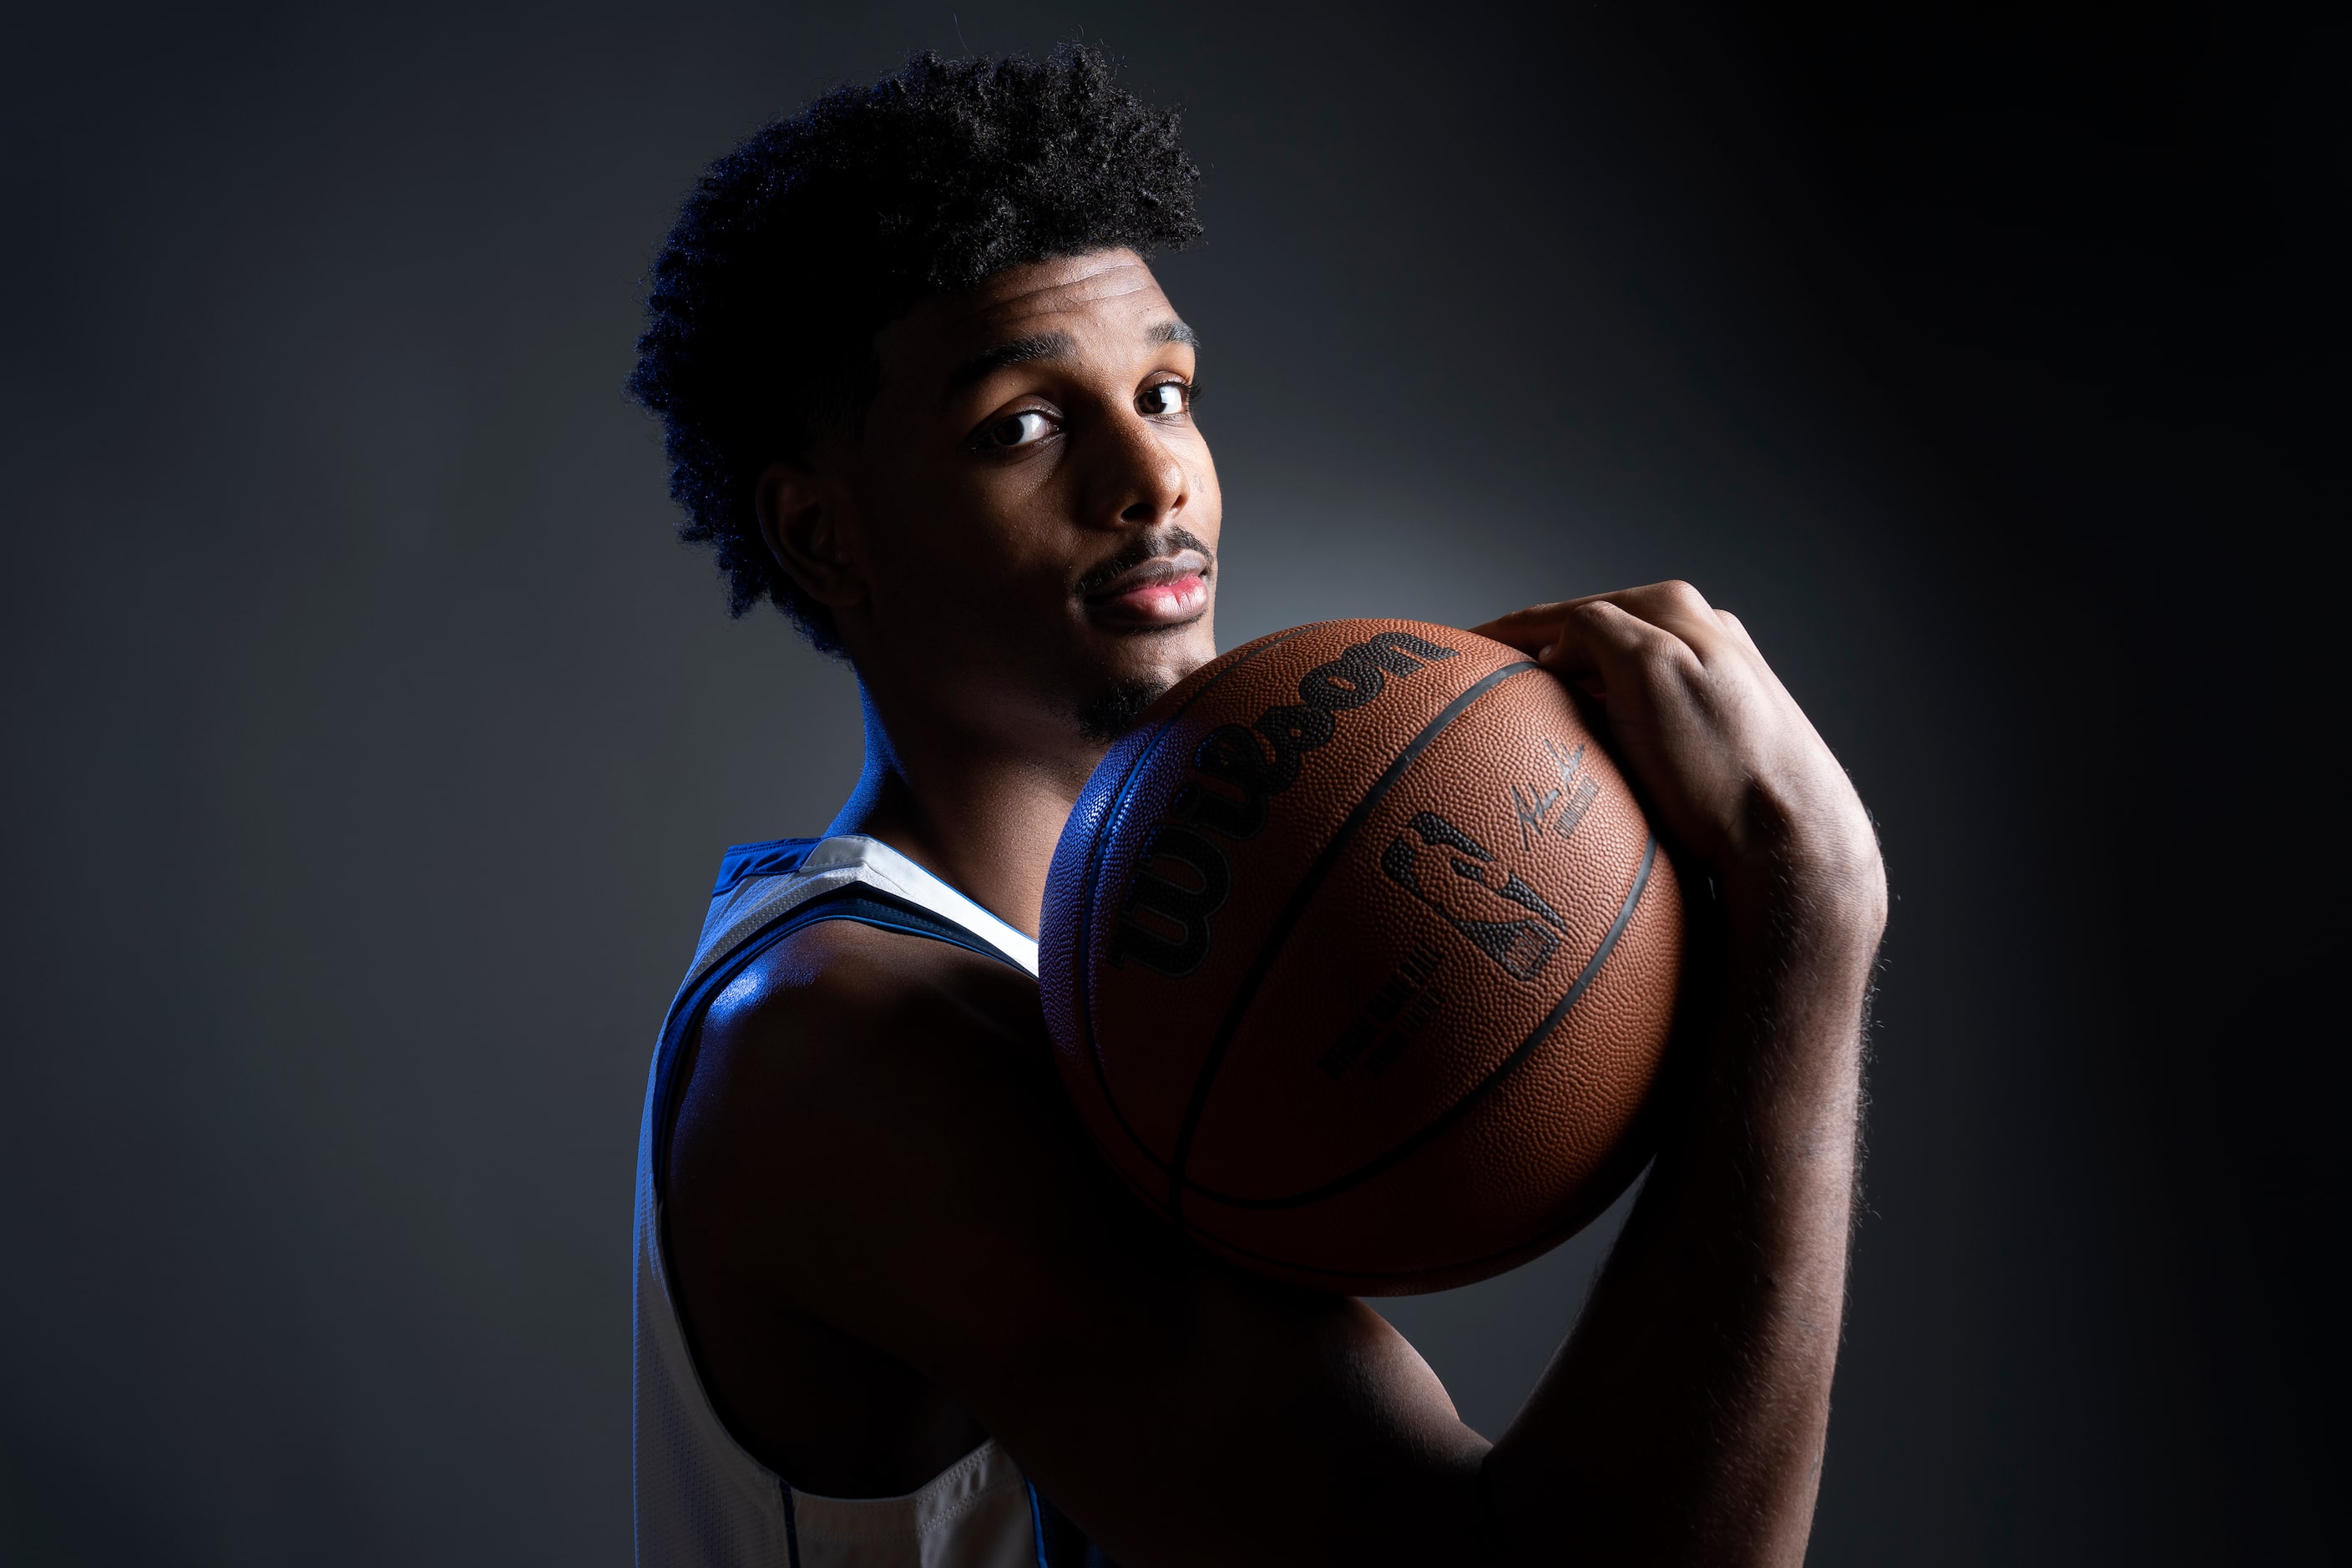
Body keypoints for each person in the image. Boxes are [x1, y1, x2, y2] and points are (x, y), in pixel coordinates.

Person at [625, 45, 1885, 1568]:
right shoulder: (842, 1042)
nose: (1150, 473)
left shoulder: (1130, 986)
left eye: (1163, 391)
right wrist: (1806, 929)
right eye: (1022, 424)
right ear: (822, 534)